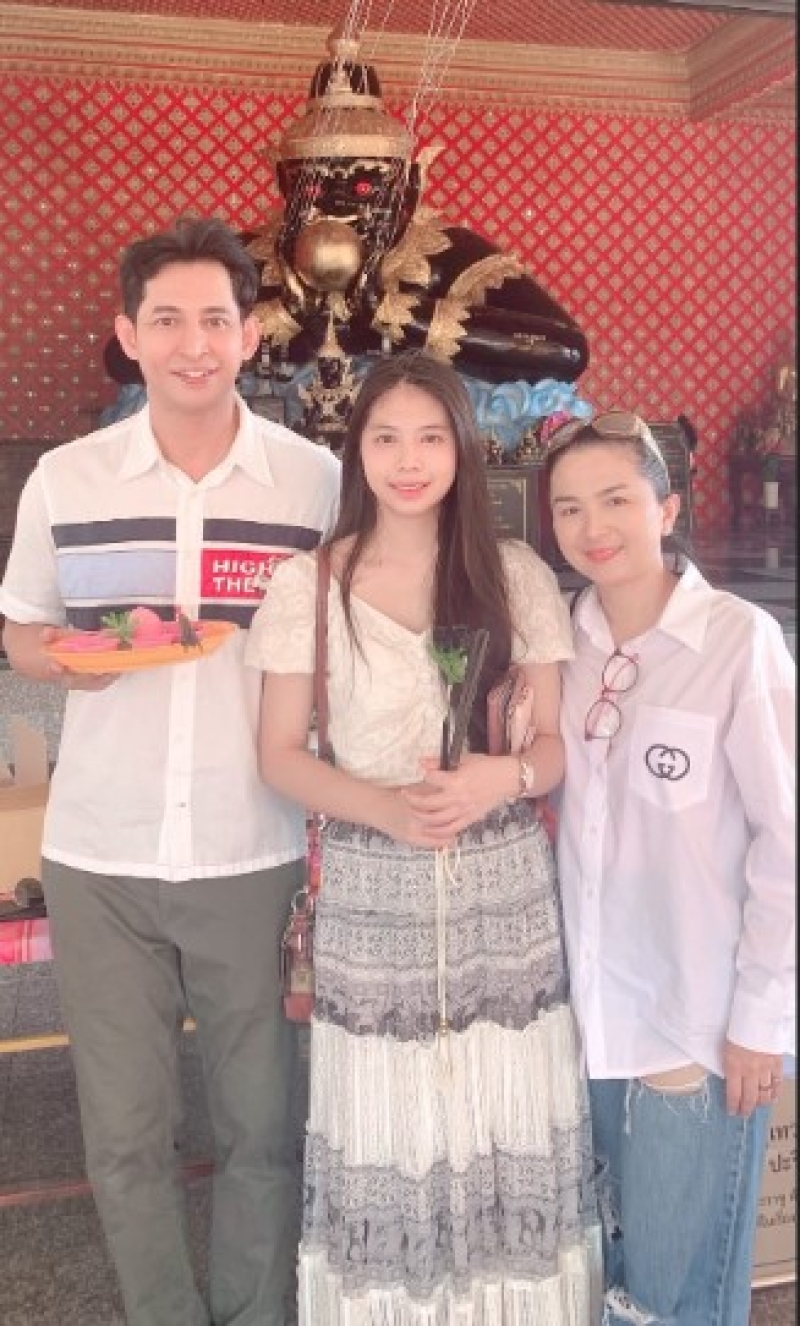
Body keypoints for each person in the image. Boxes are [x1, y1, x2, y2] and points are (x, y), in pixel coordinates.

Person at [0, 216, 341, 1326]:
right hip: (100, 852)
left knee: (261, 1127)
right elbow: (21, 630)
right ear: (127, 334)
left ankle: (253, 1312)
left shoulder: (312, 484)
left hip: (251, 847)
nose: (193, 344)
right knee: (126, 1134)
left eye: (214, 320)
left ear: (250, 335)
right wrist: (65, 658)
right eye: (167, 320)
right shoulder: (67, 479)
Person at [245, 350, 601, 1324]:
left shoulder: (512, 574)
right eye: (387, 438)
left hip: (501, 898)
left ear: (462, 451)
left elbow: (551, 747)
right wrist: (385, 809)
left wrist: (499, 778)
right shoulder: (309, 587)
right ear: (355, 450)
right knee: (388, 1121)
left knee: (502, 1109)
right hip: (374, 895)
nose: (408, 461)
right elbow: (278, 754)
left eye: (431, 438)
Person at [544, 411, 796, 1326]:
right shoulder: (559, 645)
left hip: (694, 1022)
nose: (593, 527)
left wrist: (761, 1020)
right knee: (611, 1278)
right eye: (569, 508)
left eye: (616, 499)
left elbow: (786, 841)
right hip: (589, 1022)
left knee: (676, 1296)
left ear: (667, 509)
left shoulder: (737, 641)